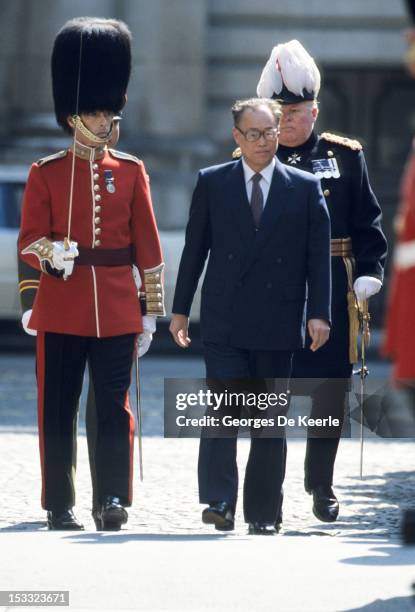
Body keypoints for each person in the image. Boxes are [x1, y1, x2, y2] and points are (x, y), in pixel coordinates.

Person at [18, 17, 165, 531]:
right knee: (56, 409)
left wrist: (150, 312)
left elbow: (147, 245)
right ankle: (59, 502)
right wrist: (51, 253)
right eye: (96, 112)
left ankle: (111, 499)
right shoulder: (47, 172)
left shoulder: (130, 171)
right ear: (74, 115)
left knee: (113, 409)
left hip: (118, 308)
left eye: (108, 112)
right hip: (62, 304)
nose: (105, 122)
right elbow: (29, 241)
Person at [170, 97, 331, 534]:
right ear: (237, 137)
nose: (264, 141)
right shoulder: (213, 182)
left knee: (267, 420)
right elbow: (194, 251)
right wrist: (180, 309)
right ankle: (219, 501)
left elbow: (317, 259)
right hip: (224, 318)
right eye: (254, 134)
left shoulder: (303, 186)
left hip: (278, 320)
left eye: (271, 131)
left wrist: (319, 313)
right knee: (224, 410)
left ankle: (263, 512)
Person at [255, 40, 387, 522]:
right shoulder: (254, 156)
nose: (288, 120)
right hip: (276, 288)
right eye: (280, 112)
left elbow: (369, 223)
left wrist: (370, 273)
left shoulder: (344, 156)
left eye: (297, 112)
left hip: (332, 285)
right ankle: (268, 490)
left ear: (314, 110)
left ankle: (321, 482)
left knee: (328, 391)